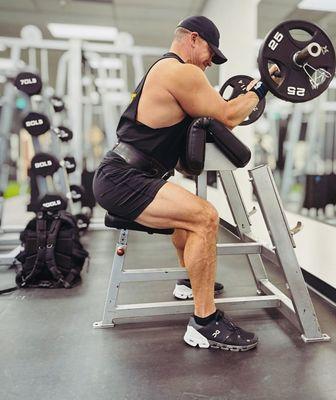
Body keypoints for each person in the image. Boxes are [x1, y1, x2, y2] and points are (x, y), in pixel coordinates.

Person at [93, 15, 270, 352]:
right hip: (123, 178)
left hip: (124, 174)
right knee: (205, 217)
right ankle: (205, 323)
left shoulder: (163, 71)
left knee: (186, 220)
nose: (208, 63)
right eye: (209, 53)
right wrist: (262, 88)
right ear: (192, 39)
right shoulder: (180, 71)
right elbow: (230, 116)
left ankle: (189, 282)